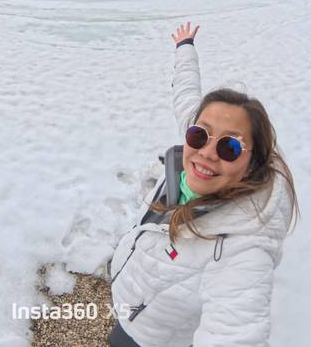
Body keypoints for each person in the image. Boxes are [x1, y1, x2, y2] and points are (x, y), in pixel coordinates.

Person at [108, 22, 298, 347]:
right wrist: (185, 48)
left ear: (254, 162)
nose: (207, 153)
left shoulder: (243, 247)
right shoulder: (193, 147)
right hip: (134, 307)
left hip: (154, 338)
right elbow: (186, 95)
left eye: (230, 147)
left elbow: (237, 329)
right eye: (200, 134)